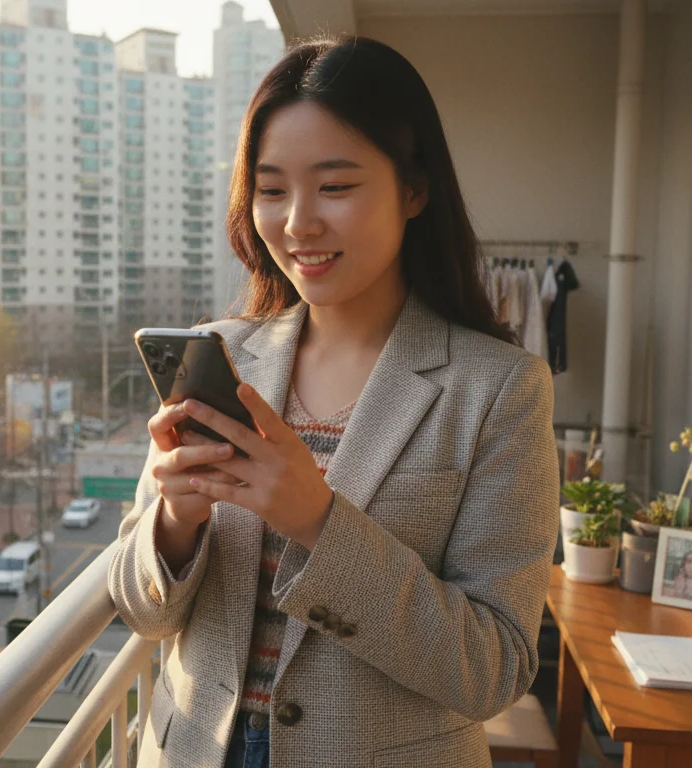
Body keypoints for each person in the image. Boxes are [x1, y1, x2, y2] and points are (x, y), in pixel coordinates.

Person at [107, 35, 559, 768]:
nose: (298, 223)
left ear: (414, 190)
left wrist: (318, 522)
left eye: (336, 186)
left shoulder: (498, 388)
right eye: (272, 188)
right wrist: (175, 521)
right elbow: (137, 606)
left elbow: (495, 668)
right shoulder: (220, 355)